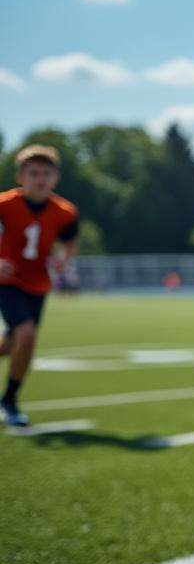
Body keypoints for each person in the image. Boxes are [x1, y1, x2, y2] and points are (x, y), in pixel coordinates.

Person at [0, 145, 79, 427]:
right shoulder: (4, 205)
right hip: (6, 281)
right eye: (34, 173)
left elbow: (70, 243)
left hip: (37, 283)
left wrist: (63, 261)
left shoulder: (65, 212)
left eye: (46, 173)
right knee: (27, 334)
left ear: (55, 178)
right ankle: (9, 402)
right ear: (20, 176)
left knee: (12, 344)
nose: (40, 179)